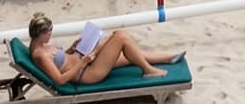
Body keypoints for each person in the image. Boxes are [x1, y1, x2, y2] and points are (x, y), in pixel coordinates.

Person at [26, 12, 180, 84]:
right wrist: (84, 62)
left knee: (126, 53)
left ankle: (167, 58)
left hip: (84, 60)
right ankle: (148, 71)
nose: (51, 35)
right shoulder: (40, 55)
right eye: (49, 32)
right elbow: (60, 79)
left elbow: (60, 62)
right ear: (40, 34)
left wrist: (71, 49)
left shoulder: (41, 46)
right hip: (87, 73)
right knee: (120, 36)